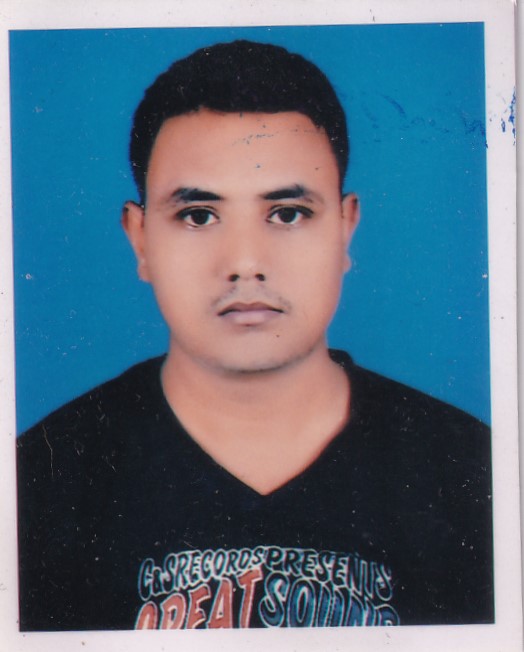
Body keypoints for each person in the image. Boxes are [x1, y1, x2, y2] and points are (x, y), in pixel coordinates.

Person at [16, 39, 493, 632]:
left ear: (346, 229)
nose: (245, 263)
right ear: (140, 239)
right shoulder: (36, 484)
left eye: (288, 213)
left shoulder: (477, 476)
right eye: (198, 216)